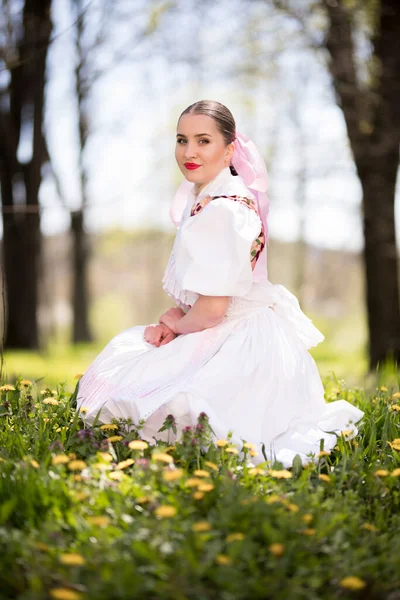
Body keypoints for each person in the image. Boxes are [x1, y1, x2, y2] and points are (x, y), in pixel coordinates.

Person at [76, 99, 364, 467]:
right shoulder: (211, 199)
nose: (189, 152)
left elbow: (213, 310)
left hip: (242, 345)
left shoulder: (223, 210)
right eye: (182, 140)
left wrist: (174, 324)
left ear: (228, 149)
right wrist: (178, 317)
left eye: (203, 141)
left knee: (147, 392)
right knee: (130, 365)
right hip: (240, 330)